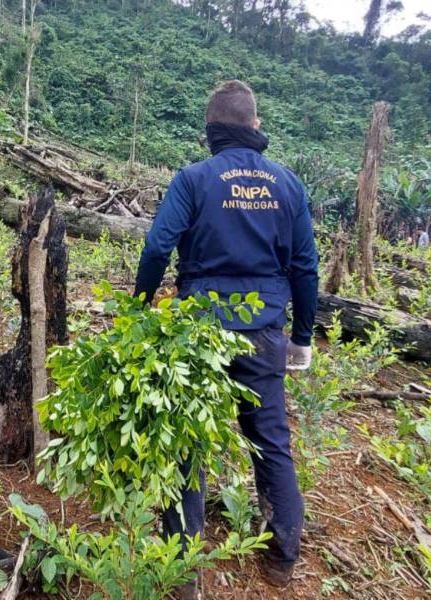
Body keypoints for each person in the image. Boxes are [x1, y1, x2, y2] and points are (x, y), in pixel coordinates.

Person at [133, 81, 318, 597]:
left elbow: (156, 248)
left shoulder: (193, 179)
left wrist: (138, 307)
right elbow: (304, 267)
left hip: (199, 332)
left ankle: (183, 574)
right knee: (269, 440)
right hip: (263, 331)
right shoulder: (287, 184)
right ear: (255, 126)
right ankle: (282, 556)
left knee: (185, 441)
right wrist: (300, 336)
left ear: (209, 133)